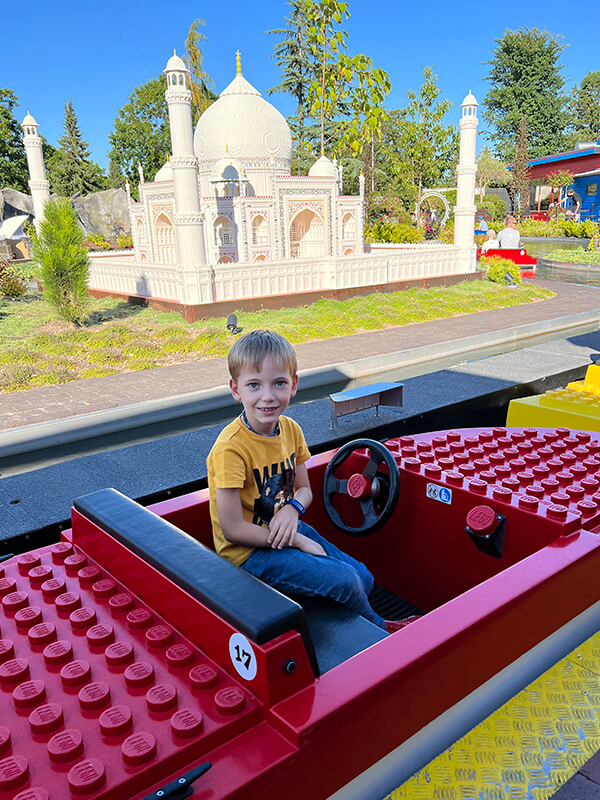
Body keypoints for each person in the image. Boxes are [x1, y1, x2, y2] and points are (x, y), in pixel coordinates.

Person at [207, 329, 403, 633]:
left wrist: (292, 509)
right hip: (249, 553)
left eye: (279, 383)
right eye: (254, 385)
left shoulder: (291, 430)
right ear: (236, 390)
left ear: (294, 384)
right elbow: (232, 530)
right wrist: (296, 539)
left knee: (364, 577)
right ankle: (384, 631)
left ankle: (349, 625)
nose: (268, 396)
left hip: (286, 525)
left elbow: (304, 489)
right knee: (349, 582)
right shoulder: (230, 449)